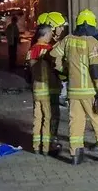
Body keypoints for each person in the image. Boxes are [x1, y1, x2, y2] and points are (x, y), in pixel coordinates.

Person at [50, 9, 98, 165]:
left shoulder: (68, 40)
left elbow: (53, 56)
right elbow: (95, 70)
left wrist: (63, 72)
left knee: (76, 122)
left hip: (73, 91)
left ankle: (76, 155)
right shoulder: (92, 42)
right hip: (90, 92)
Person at [27, 24, 62, 155]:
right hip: (48, 88)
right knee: (49, 117)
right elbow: (57, 67)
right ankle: (47, 147)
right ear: (46, 34)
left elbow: (30, 69)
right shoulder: (48, 49)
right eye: (50, 34)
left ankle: (36, 146)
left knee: (37, 117)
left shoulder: (32, 49)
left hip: (36, 89)